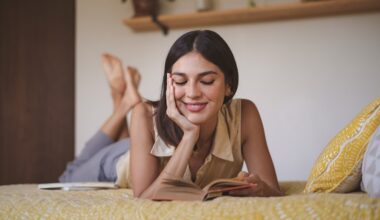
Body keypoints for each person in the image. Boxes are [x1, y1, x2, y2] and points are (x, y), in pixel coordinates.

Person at [116, 30, 283, 198]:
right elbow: (145, 199)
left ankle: (123, 98)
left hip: (136, 141)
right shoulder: (144, 115)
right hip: (116, 161)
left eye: (206, 81)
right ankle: (120, 100)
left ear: (229, 85)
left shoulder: (245, 114)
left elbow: (274, 191)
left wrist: (260, 188)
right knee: (91, 158)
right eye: (180, 81)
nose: (192, 93)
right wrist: (189, 136)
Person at [59, 53, 141, 183]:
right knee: (73, 170)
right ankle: (120, 99)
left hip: (135, 148)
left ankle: (120, 99)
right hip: (133, 147)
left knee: (68, 178)